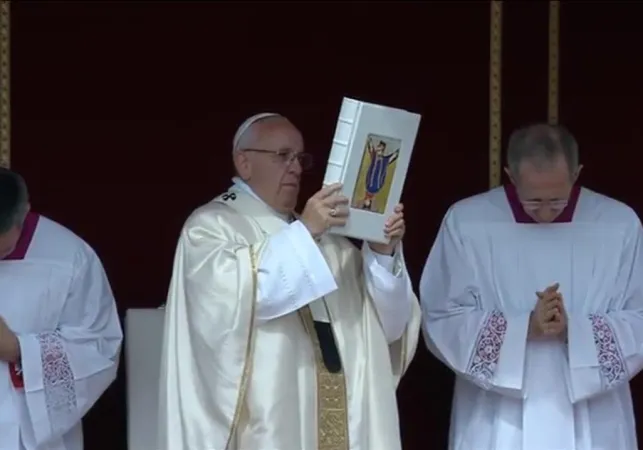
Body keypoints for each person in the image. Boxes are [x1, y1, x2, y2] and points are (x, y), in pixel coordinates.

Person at [159, 112, 422, 450]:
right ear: (244, 163)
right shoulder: (212, 227)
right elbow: (232, 307)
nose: (296, 167)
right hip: (271, 425)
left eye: (300, 158)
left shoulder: (333, 245)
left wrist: (382, 252)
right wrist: (307, 232)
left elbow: (389, 328)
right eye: (283, 156)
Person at [420, 123, 643, 450]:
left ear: (577, 173)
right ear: (511, 176)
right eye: (534, 200)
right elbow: (441, 316)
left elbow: (639, 316)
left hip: (594, 415)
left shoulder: (618, 225)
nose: (546, 212)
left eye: (557, 199)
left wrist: (574, 330)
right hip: (497, 415)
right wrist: (523, 329)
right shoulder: (467, 223)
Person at [0, 168, 122, 450]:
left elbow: (99, 349)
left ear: (24, 214)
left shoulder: (69, 256)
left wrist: (20, 350)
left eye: (2, 250)